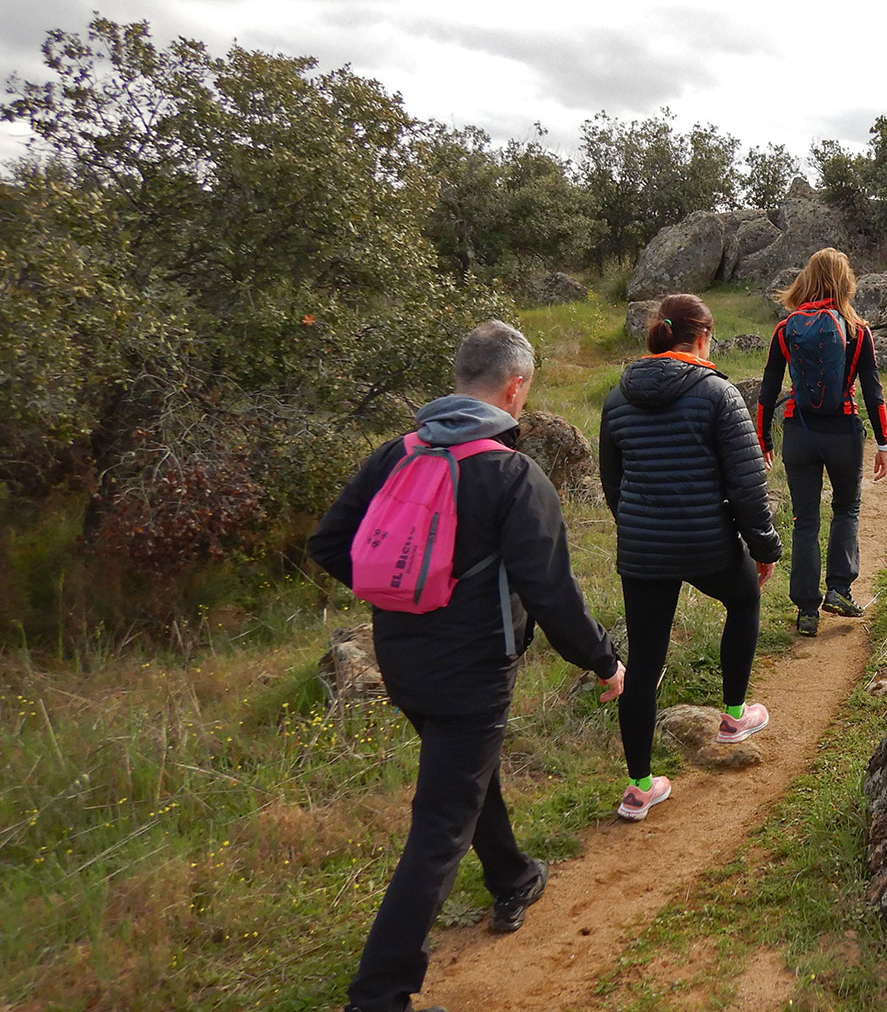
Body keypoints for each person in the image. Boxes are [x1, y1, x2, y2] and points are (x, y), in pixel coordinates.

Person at [308, 320, 626, 1012]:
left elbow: (332, 543)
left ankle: (511, 877)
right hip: (473, 669)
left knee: (462, 776)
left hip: (398, 659)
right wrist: (605, 661)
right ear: (515, 389)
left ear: (459, 379)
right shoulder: (513, 474)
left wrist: (403, 592)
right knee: (439, 826)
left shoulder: (394, 453)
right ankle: (379, 994)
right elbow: (551, 592)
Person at [599, 293, 782, 821]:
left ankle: (638, 788)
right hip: (708, 544)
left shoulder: (617, 398)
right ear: (704, 336)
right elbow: (747, 486)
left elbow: (613, 483)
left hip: (643, 550)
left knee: (644, 663)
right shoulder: (719, 395)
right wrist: (764, 546)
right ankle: (733, 716)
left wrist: (638, 524)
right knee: (744, 598)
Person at [755, 248, 887, 638]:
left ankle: (806, 611)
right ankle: (839, 589)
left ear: (806, 278)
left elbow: (767, 390)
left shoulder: (785, 330)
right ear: (845, 282)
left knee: (804, 522)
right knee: (846, 509)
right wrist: (884, 442)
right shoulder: (857, 331)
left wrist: (764, 437)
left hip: (799, 432)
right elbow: (873, 390)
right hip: (843, 431)